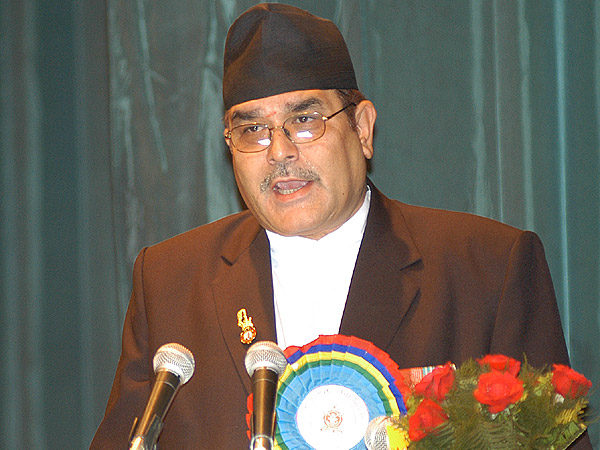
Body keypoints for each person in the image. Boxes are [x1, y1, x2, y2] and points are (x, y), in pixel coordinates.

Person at [91, 3, 592, 449]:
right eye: (253, 129)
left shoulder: (486, 268)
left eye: (305, 120)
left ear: (363, 128)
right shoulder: (171, 279)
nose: (280, 151)